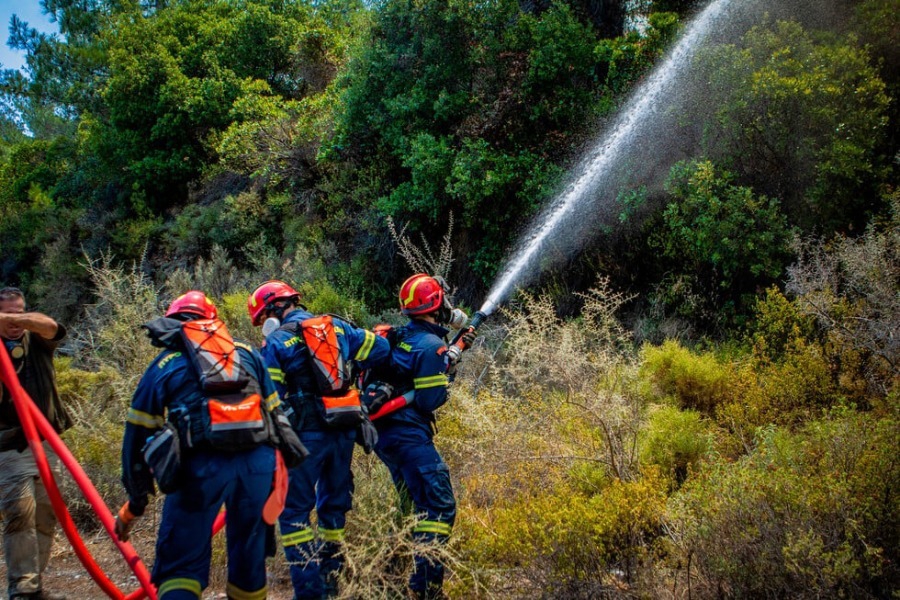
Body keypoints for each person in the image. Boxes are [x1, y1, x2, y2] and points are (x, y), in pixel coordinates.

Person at [116, 291, 291, 600]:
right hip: (258, 466)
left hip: (198, 467)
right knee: (249, 564)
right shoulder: (247, 353)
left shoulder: (165, 362)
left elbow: (137, 436)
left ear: (173, 323)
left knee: (180, 566)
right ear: (213, 321)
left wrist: (135, 503)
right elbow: (278, 418)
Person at [247, 280, 389, 600]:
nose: (263, 325)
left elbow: (270, 398)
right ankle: (331, 579)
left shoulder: (277, 342)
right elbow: (381, 350)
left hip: (304, 439)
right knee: (333, 506)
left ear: (273, 310)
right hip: (343, 431)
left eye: (263, 318)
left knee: (294, 514)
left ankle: (310, 593)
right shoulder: (337, 326)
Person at [365, 274, 473, 600]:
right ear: (437, 305)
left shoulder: (399, 336)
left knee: (410, 506)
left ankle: (388, 582)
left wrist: (449, 356)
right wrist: (447, 369)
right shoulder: (430, 346)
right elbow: (429, 400)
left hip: (385, 436)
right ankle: (425, 589)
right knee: (439, 507)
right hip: (409, 436)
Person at [0, 286, 70, 600]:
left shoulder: (37, 338)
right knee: (20, 515)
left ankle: (34, 586)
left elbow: (52, 326)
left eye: (19, 312)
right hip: (10, 446)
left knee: (46, 513)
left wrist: (19, 320)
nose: (15, 321)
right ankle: (22, 590)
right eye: (7, 314)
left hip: (47, 441)